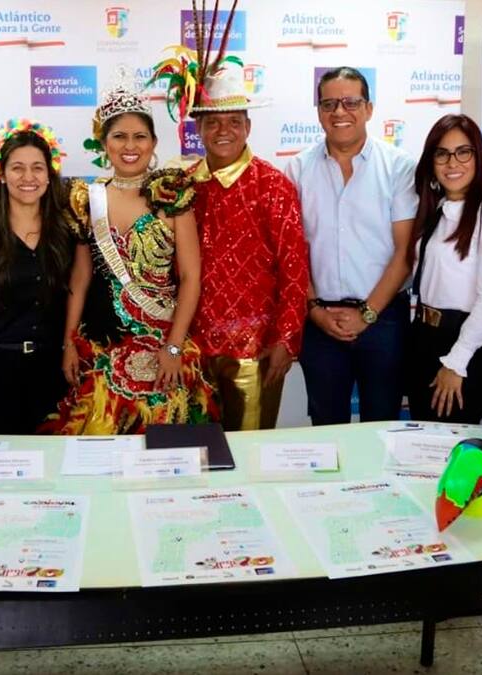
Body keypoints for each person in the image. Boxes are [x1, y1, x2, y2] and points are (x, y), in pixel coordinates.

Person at [150, 28, 309, 430]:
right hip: (193, 349)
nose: (224, 131)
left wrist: (286, 338)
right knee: (197, 454)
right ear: (198, 128)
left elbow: (295, 269)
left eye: (234, 121)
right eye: (213, 122)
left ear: (248, 127)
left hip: (254, 350)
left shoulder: (273, 185)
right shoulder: (182, 185)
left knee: (248, 455)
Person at [44, 77, 219, 433]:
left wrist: (174, 349)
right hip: (102, 346)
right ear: (103, 143)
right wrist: (69, 342)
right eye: (119, 136)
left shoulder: (172, 195)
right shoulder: (85, 200)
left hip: (165, 345)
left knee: (168, 449)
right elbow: (81, 278)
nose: (130, 146)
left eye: (140, 136)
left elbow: (191, 278)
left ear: (153, 143)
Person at [285, 67, 417, 425]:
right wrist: (314, 310)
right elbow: (292, 253)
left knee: (382, 425)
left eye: (350, 102)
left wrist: (367, 314)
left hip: (383, 320)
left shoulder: (399, 167)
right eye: (329, 104)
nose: (339, 112)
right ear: (318, 112)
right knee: (326, 429)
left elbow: (404, 253)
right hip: (320, 321)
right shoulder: (297, 169)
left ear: (369, 109)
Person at [0, 121, 75, 433]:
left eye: (37, 168)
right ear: (1, 173)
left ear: (50, 175)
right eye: (17, 168)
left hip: (51, 371)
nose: (28, 177)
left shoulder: (66, 229)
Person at [407, 114, 482, 423]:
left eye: (463, 152)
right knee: (421, 440)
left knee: (450, 442)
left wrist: (455, 363)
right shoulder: (437, 208)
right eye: (442, 153)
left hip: (465, 345)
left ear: (478, 157)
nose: (452, 163)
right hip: (425, 336)